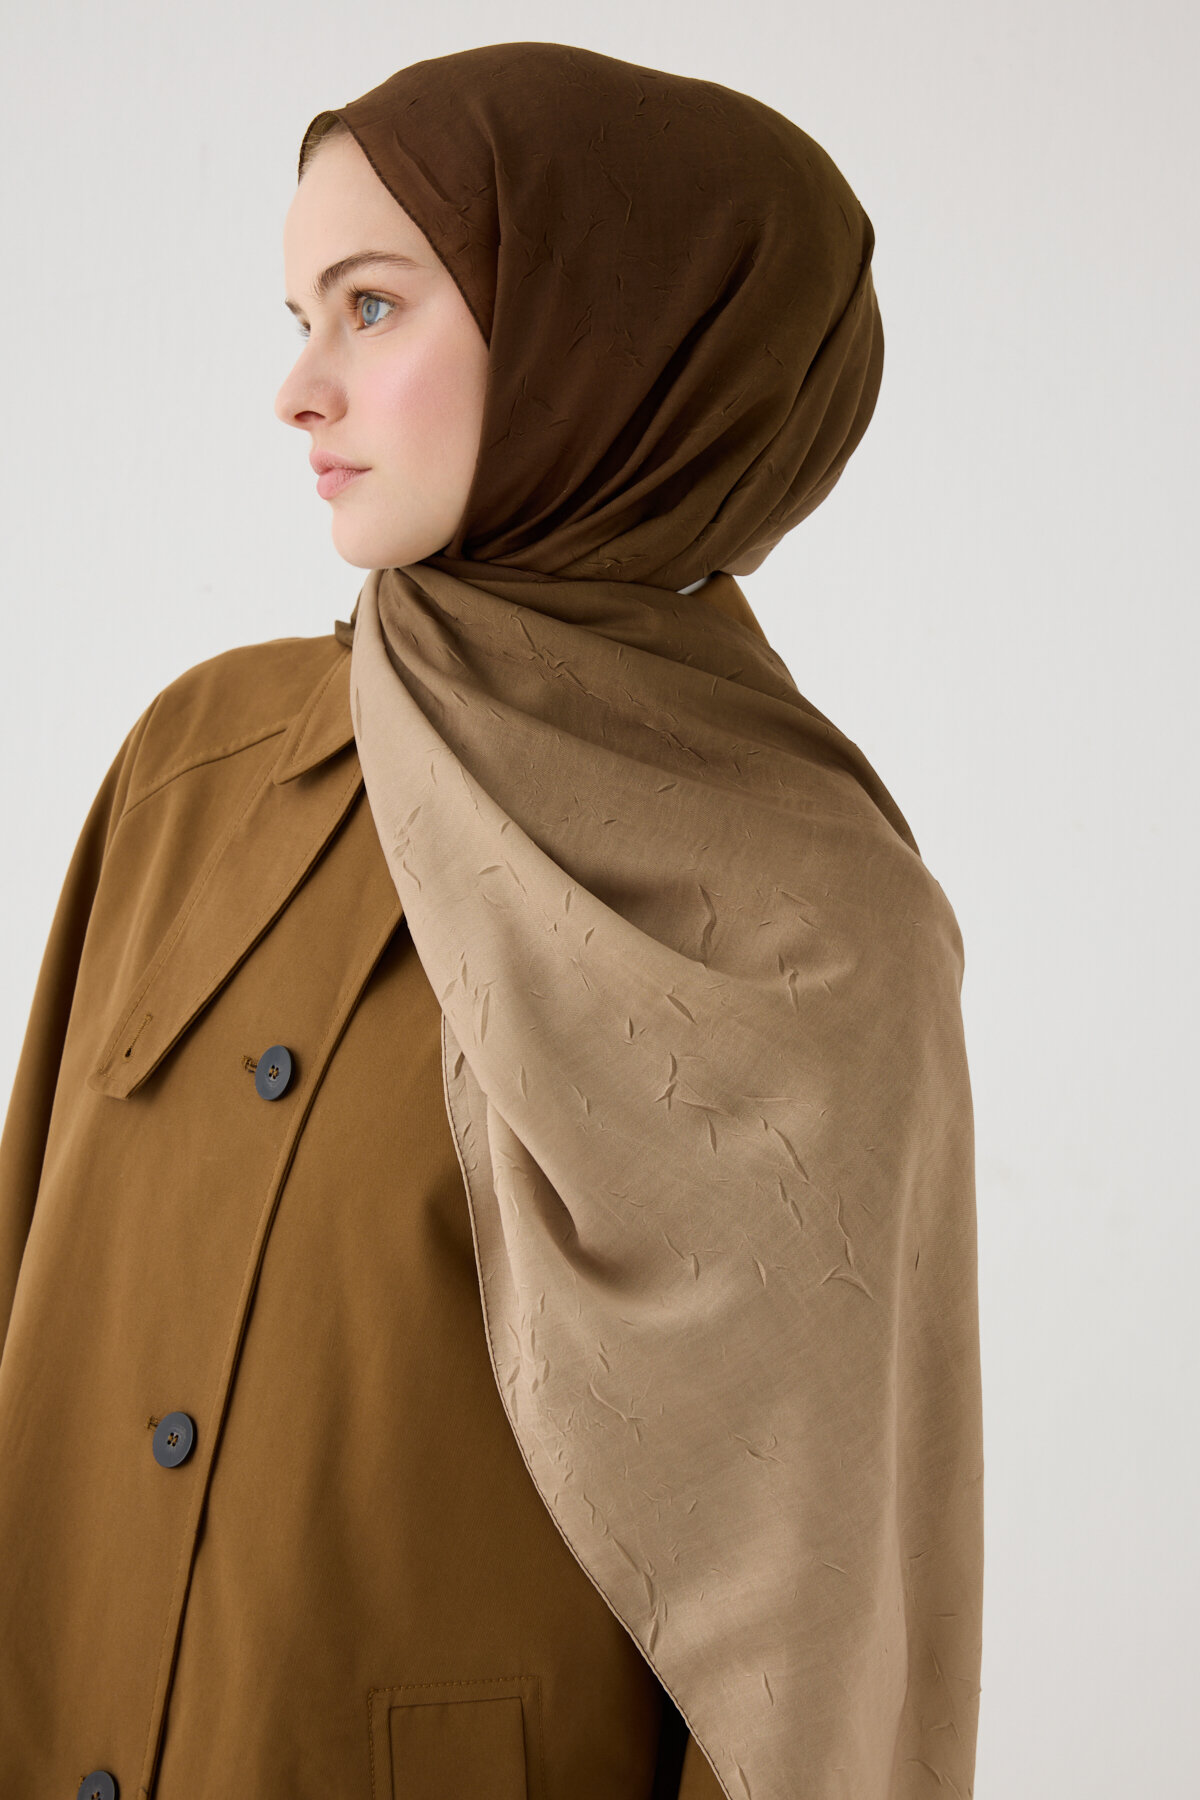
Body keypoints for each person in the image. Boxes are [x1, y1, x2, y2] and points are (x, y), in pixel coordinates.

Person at [0, 41, 983, 1800]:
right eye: (299, 315)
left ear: (610, 347)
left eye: (372, 306)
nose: (299, 388)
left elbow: (837, 1639)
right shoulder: (195, 770)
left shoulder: (816, 921)